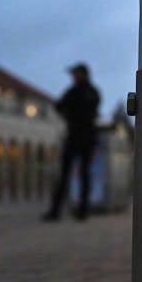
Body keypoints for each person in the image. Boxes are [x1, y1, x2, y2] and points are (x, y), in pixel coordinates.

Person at [42, 62, 101, 221]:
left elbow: (59, 105)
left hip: (75, 135)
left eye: (74, 73)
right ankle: (82, 211)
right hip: (88, 136)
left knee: (65, 174)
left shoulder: (74, 91)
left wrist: (68, 117)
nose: (72, 76)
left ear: (81, 74)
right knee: (84, 174)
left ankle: (56, 211)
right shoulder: (93, 92)